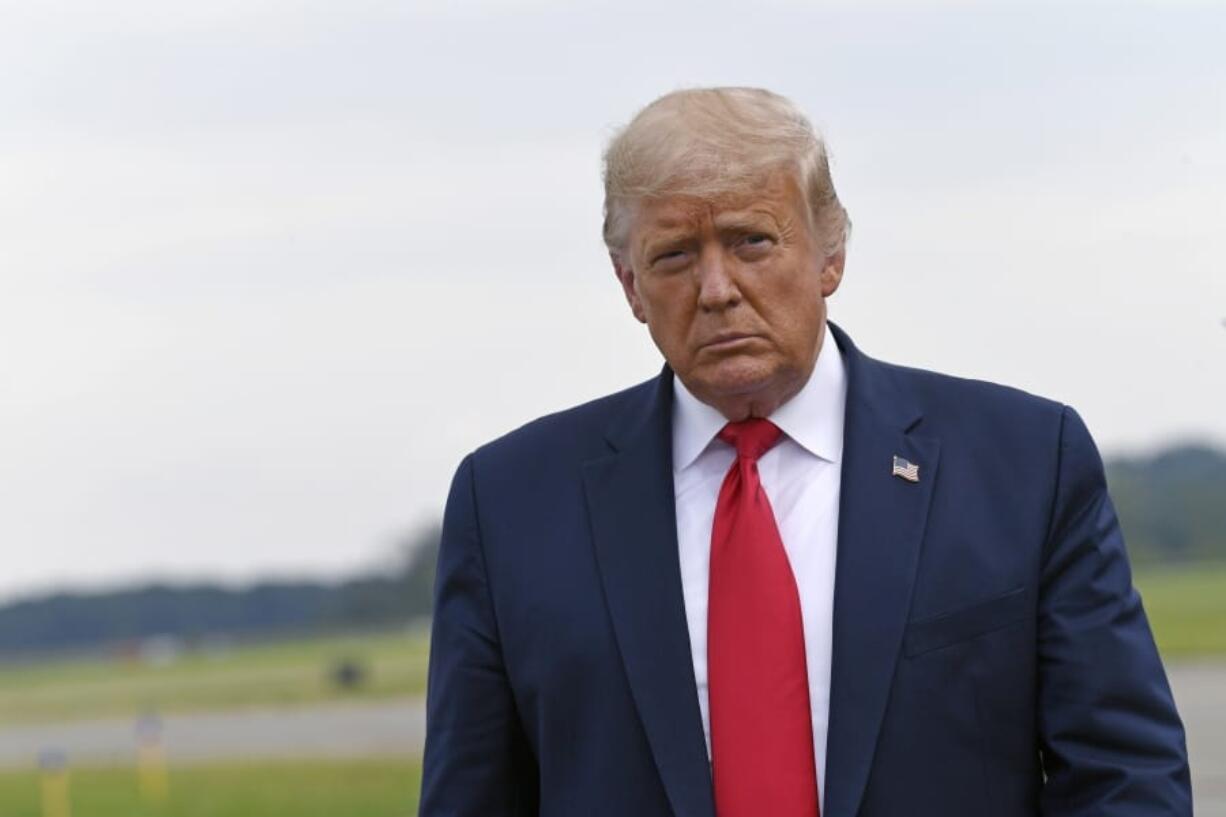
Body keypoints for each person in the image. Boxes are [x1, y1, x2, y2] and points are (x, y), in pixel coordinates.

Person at [418, 87, 1191, 817]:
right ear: (629, 287)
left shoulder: (1023, 464)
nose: (716, 287)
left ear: (831, 255)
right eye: (675, 256)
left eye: (751, 240)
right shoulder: (511, 504)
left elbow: (1126, 777)